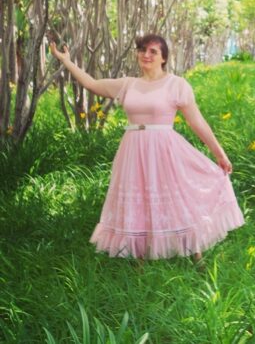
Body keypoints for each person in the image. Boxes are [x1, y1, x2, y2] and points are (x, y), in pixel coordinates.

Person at [50, 33, 244, 263]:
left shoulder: (176, 85)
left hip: (165, 151)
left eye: (153, 51)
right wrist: (66, 61)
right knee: (138, 200)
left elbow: (197, 122)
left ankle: (196, 257)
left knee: (176, 200)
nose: (146, 55)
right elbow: (91, 83)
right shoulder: (128, 84)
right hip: (132, 150)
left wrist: (220, 154)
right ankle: (140, 261)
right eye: (142, 50)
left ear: (163, 58)